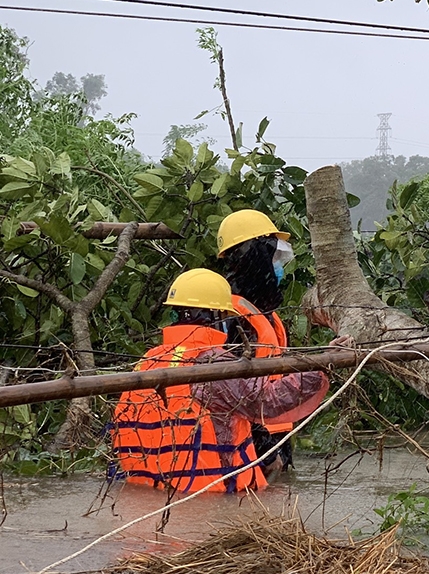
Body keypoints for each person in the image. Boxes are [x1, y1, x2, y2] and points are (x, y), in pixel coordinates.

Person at [110, 269, 330, 494]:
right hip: (209, 501)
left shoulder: (149, 360)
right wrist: (322, 368)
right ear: (215, 316)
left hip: (147, 497)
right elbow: (268, 401)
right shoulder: (213, 363)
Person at [216, 209, 346, 474]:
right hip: (251, 439)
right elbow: (231, 393)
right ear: (255, 257)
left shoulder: (265, 313)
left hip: (275, 433)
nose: (278, 267)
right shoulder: (230, 314)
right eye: (274, 257)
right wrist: (263, 448)